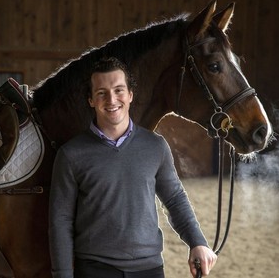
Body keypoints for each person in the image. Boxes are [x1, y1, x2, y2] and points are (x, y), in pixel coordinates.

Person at [49, 57, 217, 278]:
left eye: (119, 90)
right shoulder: (70, 154)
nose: (111, 99)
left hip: (149, 268)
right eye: (101, 93)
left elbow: (175, 198)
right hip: (95, 269)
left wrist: (197, 242)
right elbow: (60, 220)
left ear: (130, 95)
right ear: (91, 100)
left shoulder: (155, 146)